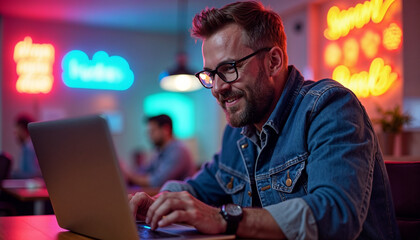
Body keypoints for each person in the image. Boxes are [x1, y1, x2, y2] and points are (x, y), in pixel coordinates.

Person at [129, 1, 400, 239]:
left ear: (273, 62)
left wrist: (224, 219)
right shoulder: (238, 132)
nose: (216, 89)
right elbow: (198, 189)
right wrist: (158, 203)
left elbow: (336, 215)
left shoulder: (329, 106)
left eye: (228, 69)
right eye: (211, 74)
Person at [124, 114, 195, 188]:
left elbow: (157, 182)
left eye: (153, 131)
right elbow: (146, 171)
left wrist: (130, 176)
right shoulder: (161, 151)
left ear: (166, 130)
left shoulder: (178, 151)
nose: (149, 135)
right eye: (149, 132)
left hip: (177, 197)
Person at [11, 113, 41, 179]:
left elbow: (32, 174)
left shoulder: (30, 148)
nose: (15, 135)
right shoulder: (25, 147)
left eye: (16, 132)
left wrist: (12, 175)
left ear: (23, 130)